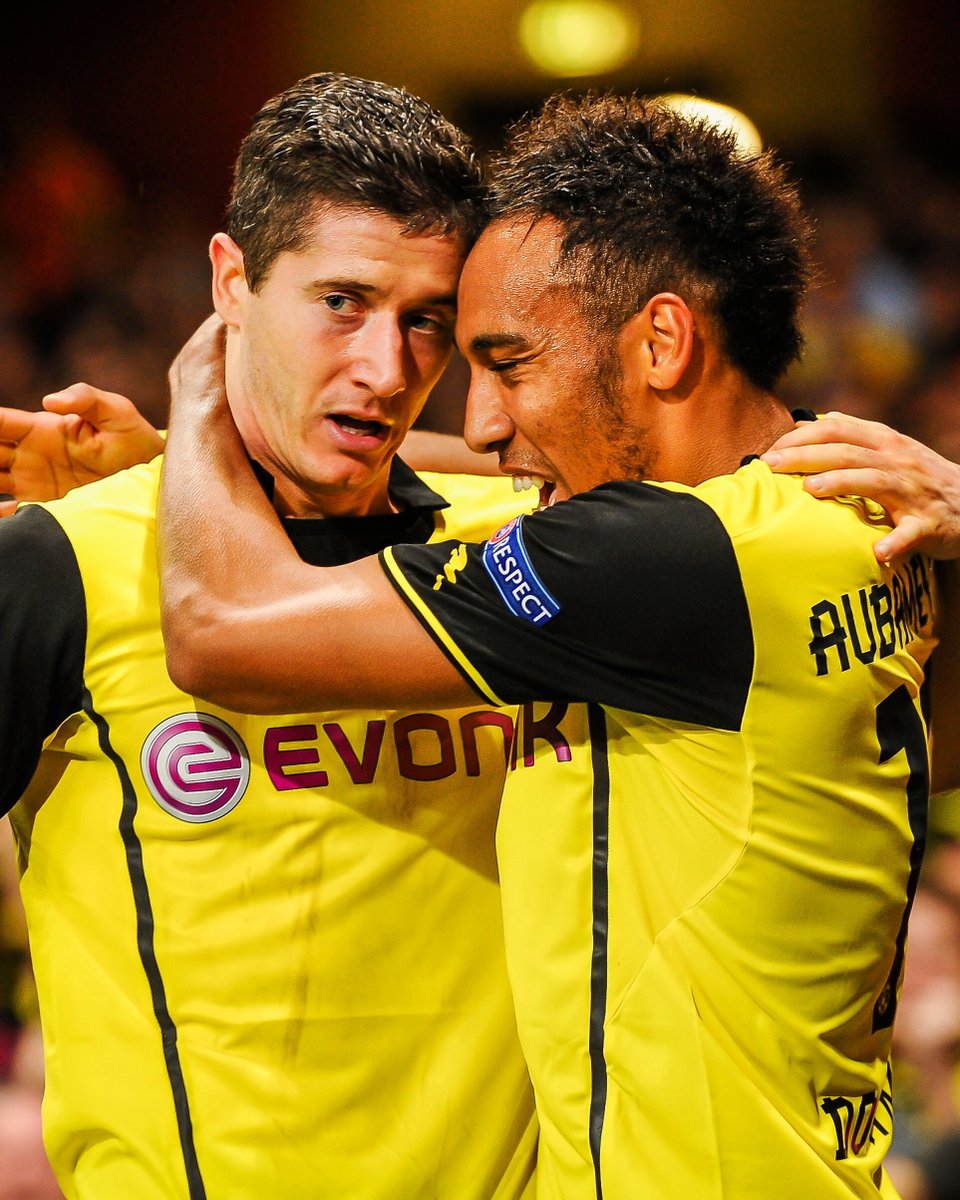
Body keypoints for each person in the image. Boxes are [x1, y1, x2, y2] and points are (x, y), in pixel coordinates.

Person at [157, 94, 940, 1198]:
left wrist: (203, 396)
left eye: (509, 363)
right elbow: (504, 478)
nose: (480, 420)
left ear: (661, 341)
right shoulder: (844, 497)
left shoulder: (666, 561)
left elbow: (219, 629)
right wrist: (192, 451)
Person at [0, 73, 540, 1199]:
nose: (387, 370)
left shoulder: (527, 558)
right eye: (342, 301)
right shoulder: (66, 564)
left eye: (426, 320)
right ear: (231, 281)